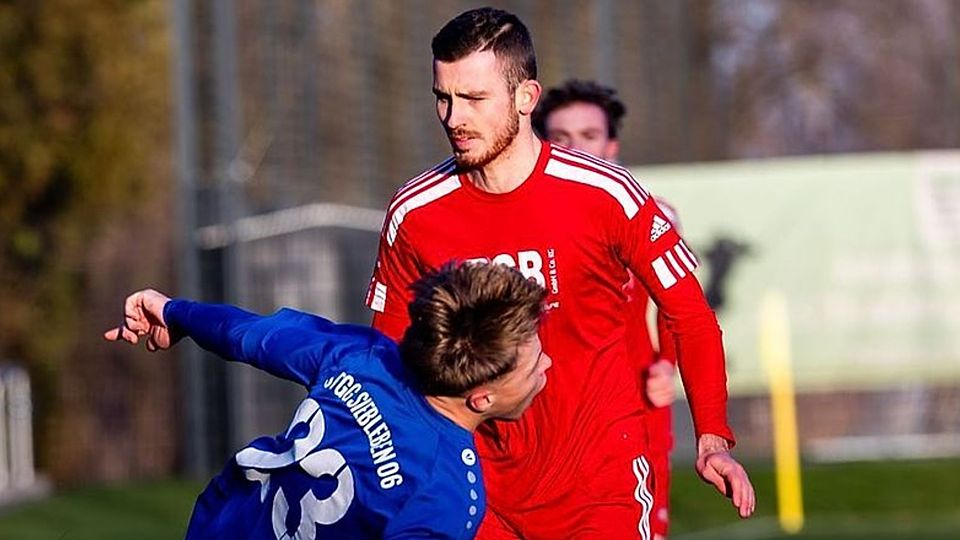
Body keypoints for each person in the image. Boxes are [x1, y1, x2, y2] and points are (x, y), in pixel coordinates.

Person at [367, 7, 755, 539]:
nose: (454, 117)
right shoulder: (414, 214)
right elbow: (387, 350)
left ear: (526, 98)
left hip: (600, 484)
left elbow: (688, 313)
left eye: (475, 99)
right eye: (443, 97)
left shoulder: (607, 195)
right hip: (472, 487)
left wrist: (712, 436)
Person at [104, 262, 550, 539]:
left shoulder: (366, 357)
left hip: (222, 525)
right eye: (532, 364)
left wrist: (172, 311)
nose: (546, 364)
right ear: (481, 397)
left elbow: (249, 335)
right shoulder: (449, 492)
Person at [533, 79, 679, 539]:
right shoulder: (524, 220)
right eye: (561, 138)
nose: (576, 149)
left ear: (612, 145)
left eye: (589, 136)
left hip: (630, 409)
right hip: (539, 412)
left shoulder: (652, 217)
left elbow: (677, 304)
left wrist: (666, 364)